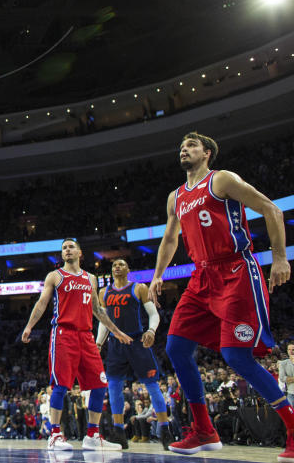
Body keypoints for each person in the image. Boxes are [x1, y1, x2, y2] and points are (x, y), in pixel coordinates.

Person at [147, 132, 294, 459]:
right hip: (201, 276)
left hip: (235, 270)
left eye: (191, 145)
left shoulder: (222, 179)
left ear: (207, 153)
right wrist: (158, 275)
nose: (184, 149)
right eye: (181, 146)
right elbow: (170, 239)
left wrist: (280, 257)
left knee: (237, 357)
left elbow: (271, 209)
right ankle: (204, 430)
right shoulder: (175, 197)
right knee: (176, 347)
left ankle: (292, 426)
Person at [21, 238, 131, 451]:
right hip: (63, 334)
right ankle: (54, 435)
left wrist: (116, 332)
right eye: (64, 248)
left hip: (86, 336)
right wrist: (29, 326)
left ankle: (92, 435)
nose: (67, 250)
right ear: (62, 254)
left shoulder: (91, 278)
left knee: (99, 385)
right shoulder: (55, 276)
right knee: (60, 386)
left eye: (71, 247)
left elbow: (98, 310)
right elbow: (42, 301)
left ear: (80, 252)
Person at [96, 258, 174, 449]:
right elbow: (104, 321)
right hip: (115, 344)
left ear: (128, 269)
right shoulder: (103, 292)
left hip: (137, 342)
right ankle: (119, 432)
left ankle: (165, 430)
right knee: (113, 387)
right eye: (114, 265)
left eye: (121, 264)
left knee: (152, 385)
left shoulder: (139, 288)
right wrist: (99, 342)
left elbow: (153, 314)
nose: (117, 267)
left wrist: (151, 331)